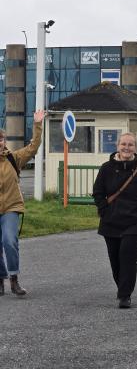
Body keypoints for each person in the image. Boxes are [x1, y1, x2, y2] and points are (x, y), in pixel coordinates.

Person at [93, 132, 137, 309]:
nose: (126, 148)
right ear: (117, 146)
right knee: (115, 260)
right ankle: (122, 286)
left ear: (135, 148)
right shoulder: (106, 168)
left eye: (130, 145)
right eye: (123, 144)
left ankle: (124, 295)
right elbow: (98, 191)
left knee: (128, 256)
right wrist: (104, 210)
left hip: (135, 222)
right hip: (111, 221)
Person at [0, 110, 45, 297]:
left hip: (11, 207)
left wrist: (37, 125)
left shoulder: (14, 158)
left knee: (9, 241)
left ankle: (14, 279)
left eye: (1, 139)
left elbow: (33, 147)